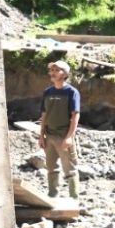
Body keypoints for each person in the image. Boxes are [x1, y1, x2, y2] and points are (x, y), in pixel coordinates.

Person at [38, 60, 81, 199]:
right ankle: (52, 196)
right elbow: (44, 115)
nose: (53, 73)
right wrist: (41, 135)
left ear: (65, 74)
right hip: (49, 135)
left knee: (70, 169)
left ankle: (74, 198)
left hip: (64, 135)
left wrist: (69, 137)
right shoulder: (47, 92)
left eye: (57, 70)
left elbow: (75, 115)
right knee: (51, 168)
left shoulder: (72, 92)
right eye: (52, 70)